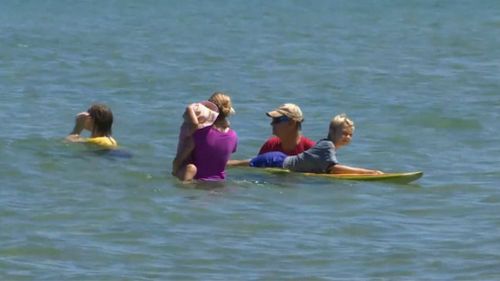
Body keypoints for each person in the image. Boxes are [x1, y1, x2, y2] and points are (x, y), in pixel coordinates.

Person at [249, 113, 383, 174]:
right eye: (344, 133)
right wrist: (369, 172)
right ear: (332, 131)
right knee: (238, 165)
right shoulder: (327, 146)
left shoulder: (326, 147)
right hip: (276, 161)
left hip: (279, 159)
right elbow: (334, 169)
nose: (347, 137)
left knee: (242, 164)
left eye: (350, 135)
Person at [173, 92, 238, 182]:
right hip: (220, 184)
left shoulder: (199, 133)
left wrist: (174, 171)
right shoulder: (233, 136)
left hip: (197, 183)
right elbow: (220, 160)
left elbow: (179, 160)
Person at [227, 103, 315, 166]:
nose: (272, 124)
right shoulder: (270, 145)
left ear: (292, 123)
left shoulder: (311, 149)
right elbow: (255, 165)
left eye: (277, 120)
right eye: (272, 120)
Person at [171, 100, 219, 176]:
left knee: (190, 168)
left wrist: (175, 166)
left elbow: (194, 124)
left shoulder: (190, 132)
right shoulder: (204, 133)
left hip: (186, 165)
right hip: (197, 165)